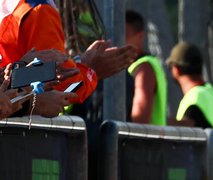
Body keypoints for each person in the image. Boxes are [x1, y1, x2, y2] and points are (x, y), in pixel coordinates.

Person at [0, 0, 135, 108]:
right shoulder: (38, 11)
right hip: (21, 134)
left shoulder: (14, 6)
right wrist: (92, 71)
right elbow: (62, 87)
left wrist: (79, 63)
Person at [165, 42, 213, 129]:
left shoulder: (195, 97)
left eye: (170, 68)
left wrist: (156, 120)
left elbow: (187, 126)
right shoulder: (211, 93)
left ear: (176, 69)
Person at [125, 10, 165, 125]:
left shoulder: (144, 68)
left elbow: (140, 119)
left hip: (146, 142)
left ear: (140, 36)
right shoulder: (144, 65)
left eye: (124, 34)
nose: (117, 40)